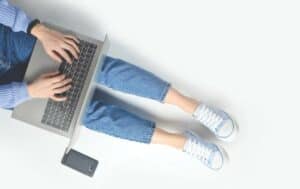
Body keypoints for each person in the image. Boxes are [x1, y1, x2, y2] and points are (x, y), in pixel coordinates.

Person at [0, 0, 237, 170]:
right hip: (9, 88)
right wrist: (29, 91)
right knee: (84, 113)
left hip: (7, 38)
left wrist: (37, 29)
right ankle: (181, 142)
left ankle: (193, 107)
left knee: (93, 66)